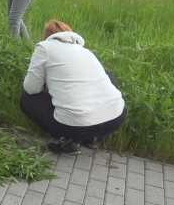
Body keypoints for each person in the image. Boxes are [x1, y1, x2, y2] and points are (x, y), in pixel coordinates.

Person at [20, 19, 126, 155]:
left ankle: (69, 141)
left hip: (79, 125)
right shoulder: (85, 51)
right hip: (115, 118)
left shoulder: (44, 47)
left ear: (46, 37)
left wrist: (47, 81)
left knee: (27, 100)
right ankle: (92, 138)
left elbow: (31, 88)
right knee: (106, 74)